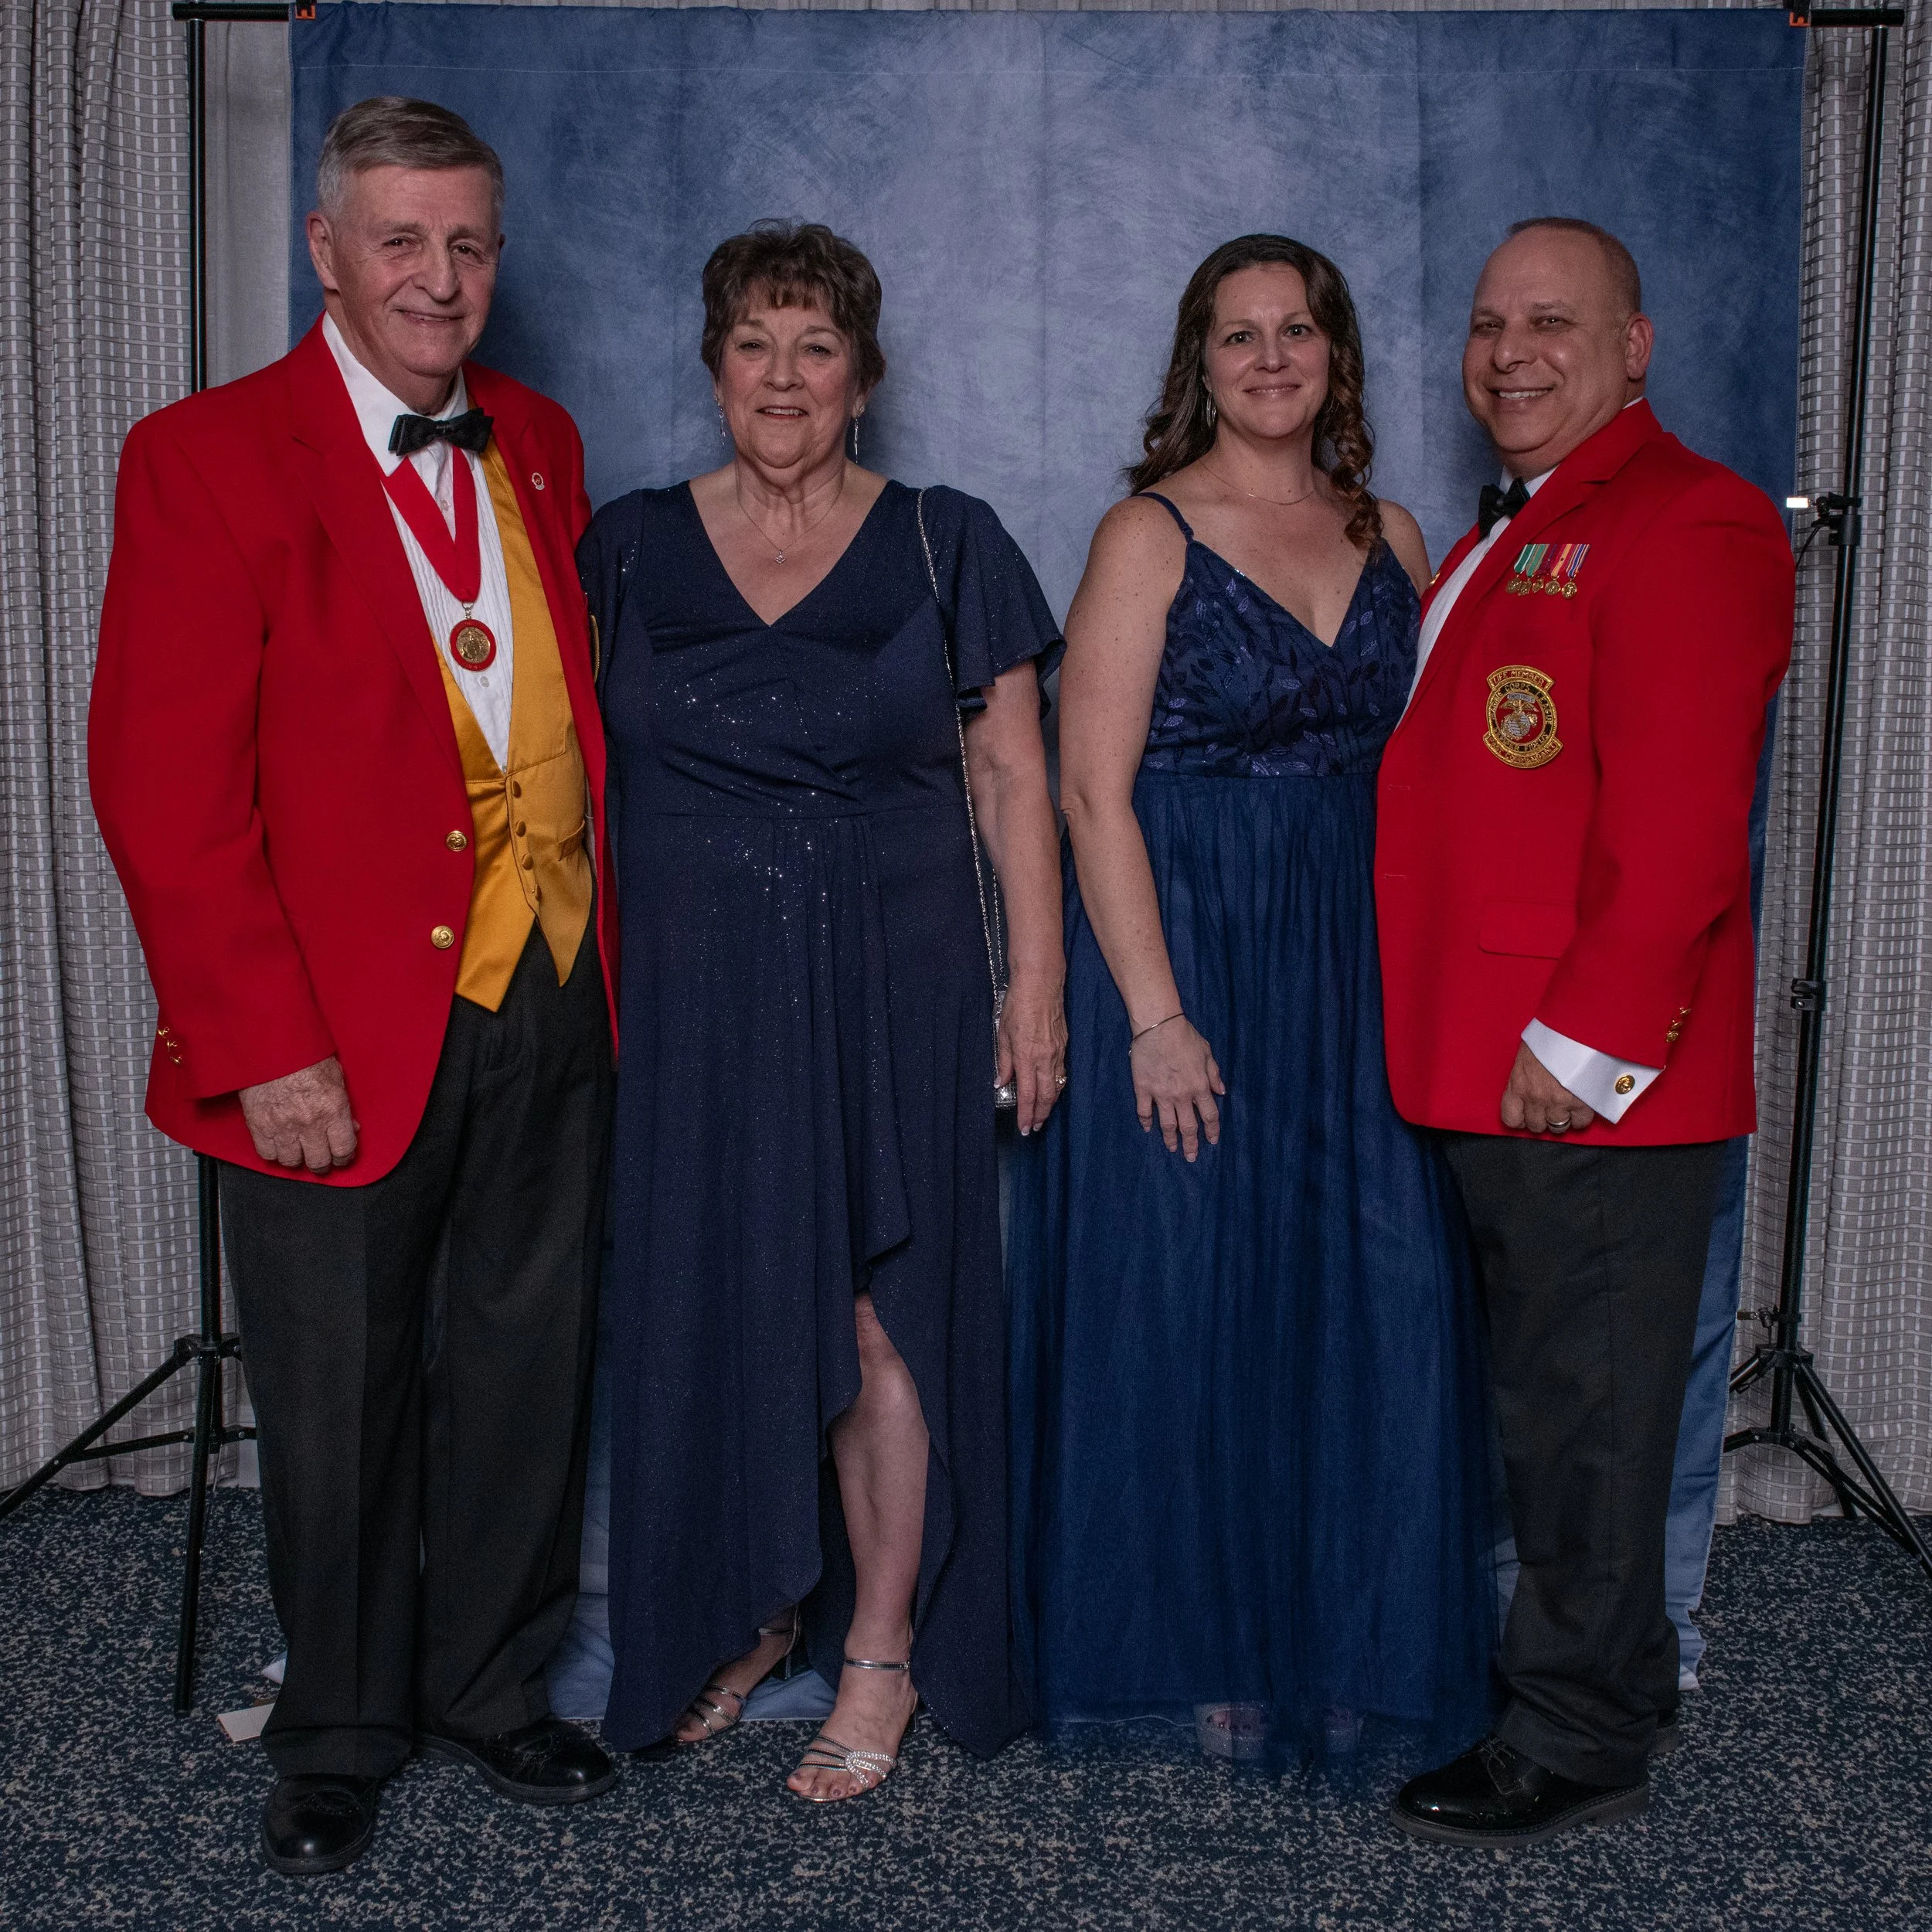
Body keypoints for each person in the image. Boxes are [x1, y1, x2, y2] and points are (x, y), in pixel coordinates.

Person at [89, 98, 619, 1876]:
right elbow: (162, 790)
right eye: (401, 240)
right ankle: (335, 1726)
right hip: (329, 1027)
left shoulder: (538, 436)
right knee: (338, 1391)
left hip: (549, 984)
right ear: (327, 250)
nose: (438, 277)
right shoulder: (204, 455)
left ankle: (489, 1681)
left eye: (467, 243)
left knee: (524, 1361)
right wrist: (264, 1043)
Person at [580, 221, 1066, 1801]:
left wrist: (1037, 986)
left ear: (864, 374)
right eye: (753, 344)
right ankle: (746, 1603)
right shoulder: (624, 546)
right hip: (693, 991)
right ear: (712, 365)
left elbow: (1014, 775)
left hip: (893, 976)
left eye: (815, 347)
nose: (782, 377)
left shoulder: (942, 538)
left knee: (877, 1312)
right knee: (712, 1295)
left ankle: (880, 1644)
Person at [1005, 235, 1499, 1773]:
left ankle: (1341, 1636)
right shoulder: (1146, 534)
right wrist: (1155, 1017)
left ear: (1334, 354)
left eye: (1296, 331)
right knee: (1190, 1294)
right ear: (1199, 365)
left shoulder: (1393, 532)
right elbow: (1089, 792)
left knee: (1366, 1299)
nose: (1269, 358)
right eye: (1239, 336)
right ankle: (1202, 1646)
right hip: (1189, 950)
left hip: (1356, 962)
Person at [1380, 219, 1794, 1846]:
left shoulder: (1690, 517)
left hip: (1582, 1072)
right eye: (1489, 324)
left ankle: (1578, 1737)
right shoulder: (1521, 525)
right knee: (1549, 1406)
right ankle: (1584, 1681)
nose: (1509, 353)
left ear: (1634, 347)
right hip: (1477, 1046)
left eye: (1551, 322)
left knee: (1589, 1420)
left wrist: (1587, 1044)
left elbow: (1684, 832)